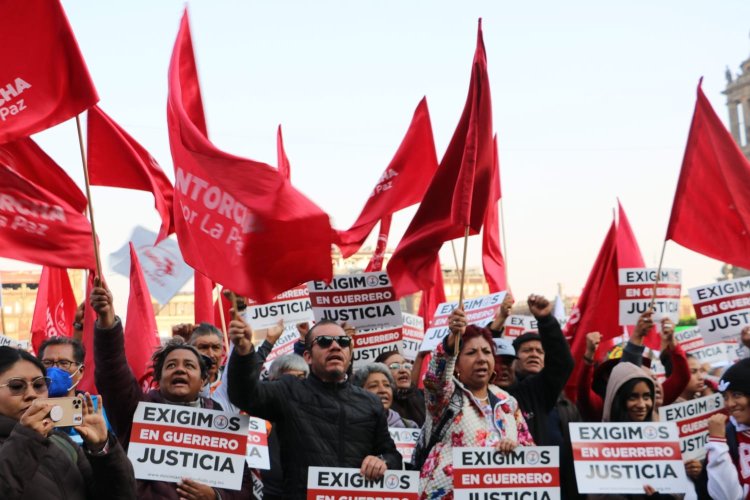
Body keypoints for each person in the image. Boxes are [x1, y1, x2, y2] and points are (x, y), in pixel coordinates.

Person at [90, 282, 254, 499]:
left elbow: (243, 488)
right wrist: (107, 322)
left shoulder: (221, 422)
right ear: (158, 378)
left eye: (189, 366)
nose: (180, 370)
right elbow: (113, 371)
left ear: (203, 379)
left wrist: (215, 496)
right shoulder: (137, 411)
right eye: (171, 365)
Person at [227, 316, 401, 499]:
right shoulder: (289, 390)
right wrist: (244, 352)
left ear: (349, 355)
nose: (335, 346)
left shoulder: (370, 403)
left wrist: (383, 461)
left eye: (343, 342)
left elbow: (392, 455)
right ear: (308, 357)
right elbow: (244, 395)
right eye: (324, 342)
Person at [418, 309, 533, 499]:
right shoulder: (445, 396)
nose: (481, 359)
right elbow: (435, 380)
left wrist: (515, 450)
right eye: (471, 352)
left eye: (487, 352)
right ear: (456, 363)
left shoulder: (507, 401)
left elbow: (531, 453)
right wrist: (451, 342)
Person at [0, 346, 136, 499]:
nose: (31, 394)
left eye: (39, 385)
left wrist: (102, 450)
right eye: (17, 386)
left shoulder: (61, 442)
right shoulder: (28, 441)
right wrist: (27, 439)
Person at [596, 361, 695, 499]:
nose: (642, 405)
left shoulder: (663, 437)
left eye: (647, 397)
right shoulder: (598, 443)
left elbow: (677, 490)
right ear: (618, 399)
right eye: (633, 397)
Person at [38, 336, 111, 446]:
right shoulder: (29, 408)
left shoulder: (95, 408)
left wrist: (99, 446)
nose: (54, 369)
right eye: (47, 362)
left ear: (80, 371)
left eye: (64, 363)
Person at [263, 354, 309, 500]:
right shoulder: (257, 418)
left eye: (301, 379)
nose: (294, 385)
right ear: (272, 382)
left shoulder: (320, 417)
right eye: (286, 380)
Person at [706, 358, 750, 499]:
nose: (730, 404)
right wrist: (717, 444)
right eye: (725, 397)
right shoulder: (726, 437)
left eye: (737, 395)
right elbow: (727, 497)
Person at [352, 363, 418, 428]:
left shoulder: (410, 427)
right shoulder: (348, 427)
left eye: (387, 385)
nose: (383, 390)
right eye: (373, 386)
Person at [375, 350, 425, 425]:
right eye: (394, 366)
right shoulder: (376, 404)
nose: (403, 370)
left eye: (406, 366)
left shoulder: (423, 397)